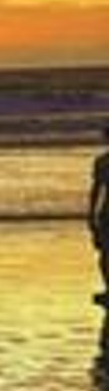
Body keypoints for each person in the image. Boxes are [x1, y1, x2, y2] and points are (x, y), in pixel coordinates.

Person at [90, 125, 109, 302]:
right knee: (104, 254)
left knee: (105, 254)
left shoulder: (101, 162)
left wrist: (91, 214)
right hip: (106, 213)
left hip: (105, 213)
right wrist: (91, 214)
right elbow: (96, 189)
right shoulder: (101, 162)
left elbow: (96, 190)